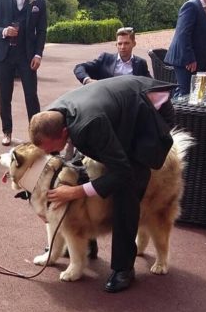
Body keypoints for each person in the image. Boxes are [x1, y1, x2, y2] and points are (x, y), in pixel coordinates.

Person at [29, 76, 176, 293]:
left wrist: (75, 192)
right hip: (116, 113)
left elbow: (122, 171)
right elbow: (76, 153)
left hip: (151, 117)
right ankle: (87, 243)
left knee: (128, 191)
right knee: (87, 169)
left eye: (51, 148)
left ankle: (123, 268)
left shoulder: (88, 126)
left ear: (63, 133)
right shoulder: (52, 115)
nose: (49, 153)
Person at [0, 0, 48, 146]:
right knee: (5, 95)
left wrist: (38, 55)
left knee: (31, 95)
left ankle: (36, 134)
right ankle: (7, 131)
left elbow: (42, 31)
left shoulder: (39, 0)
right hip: (4, 55)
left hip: (27, 56)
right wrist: (4, 31)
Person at [73, 27, 151, 85]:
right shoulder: (105, 59)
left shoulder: (141, 63)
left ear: (134, 44)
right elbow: (79, 67)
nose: (122, 47)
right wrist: (87, 80)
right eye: (120, 44)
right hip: (109, 101)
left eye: (126, 43)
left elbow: (151, 83)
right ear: (116, 44)